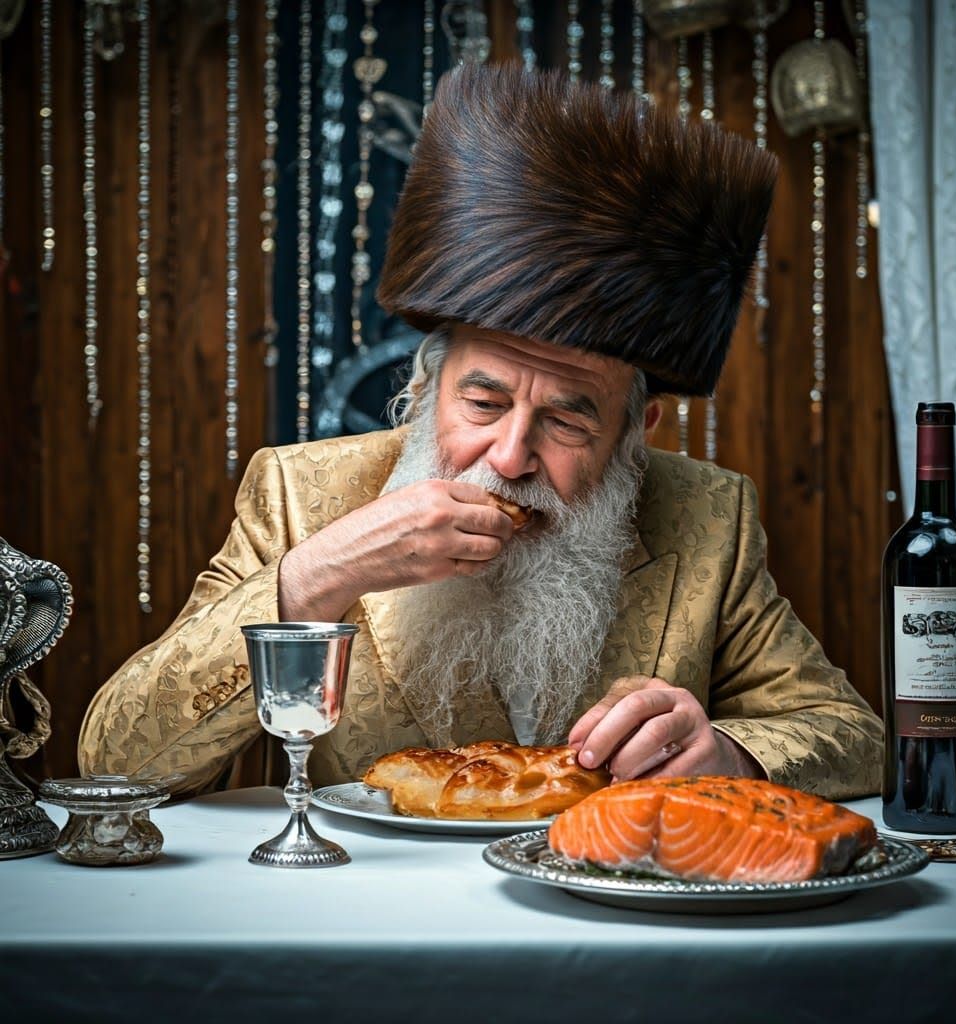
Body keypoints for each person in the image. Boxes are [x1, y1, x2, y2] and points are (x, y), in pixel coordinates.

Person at [78, 64, 882, 800]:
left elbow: (857, 739)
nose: (508, 458)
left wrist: (729, 754)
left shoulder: (710, 519)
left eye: (568, 416)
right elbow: (114, 762)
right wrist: (315, 575)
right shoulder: (300, 496)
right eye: (484, 403)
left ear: (638, 432)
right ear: (426, 390)